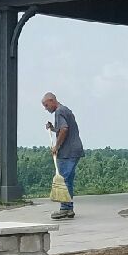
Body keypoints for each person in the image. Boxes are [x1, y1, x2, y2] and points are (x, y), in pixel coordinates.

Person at [42, 92, 84, 220]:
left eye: (46, 105)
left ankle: (65, 208)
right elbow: (62, 129)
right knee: (68, 180)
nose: (46, 108)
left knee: (64, 179)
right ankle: (69, 208)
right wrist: (53, 128)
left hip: (67, 152)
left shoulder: (59, 112)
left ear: (52, 100)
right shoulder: (66, 110)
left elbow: (64, 129)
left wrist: (57, 146)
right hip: (75, 150)